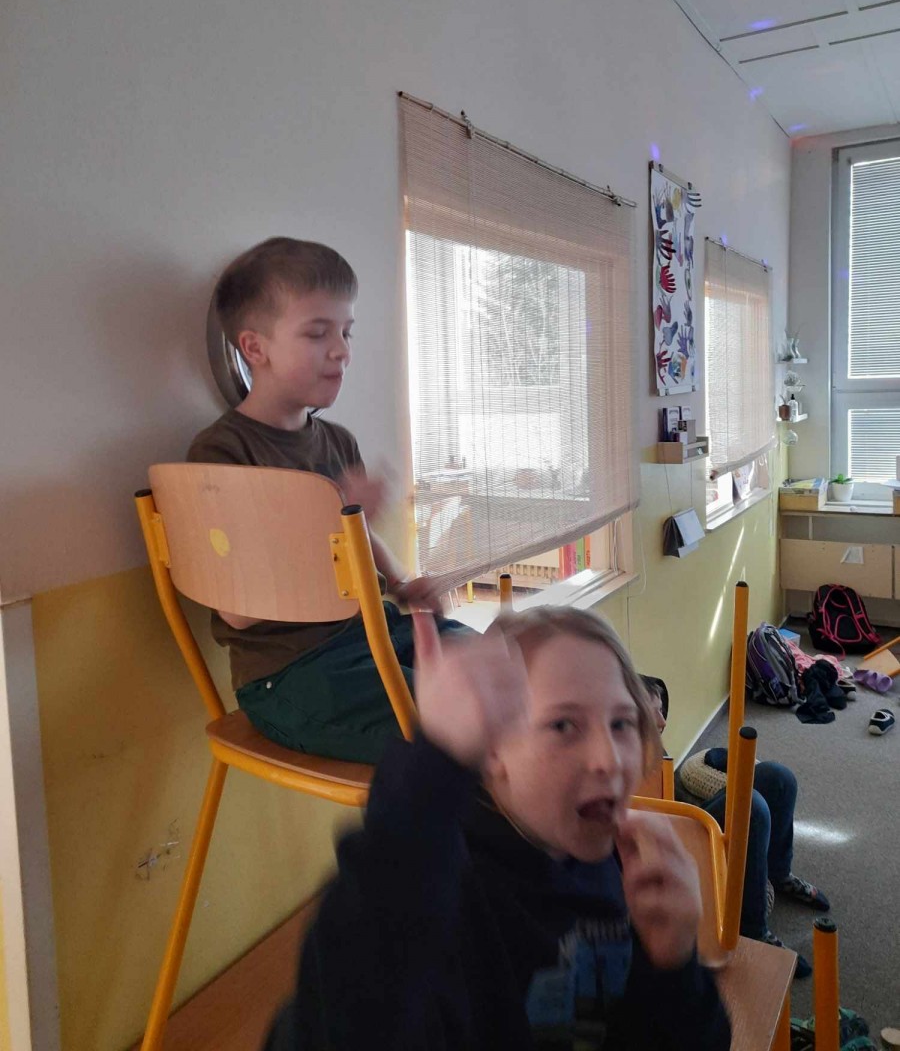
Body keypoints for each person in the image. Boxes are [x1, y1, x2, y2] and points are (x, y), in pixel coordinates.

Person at [264, 607, 731, 1051]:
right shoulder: (444, 891)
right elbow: (353, 1012)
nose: (608, 759)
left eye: (621, 723)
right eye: (563, 725)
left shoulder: (625, 871)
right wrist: (432, 769)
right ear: (491, 749)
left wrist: (674, 964)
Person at [188, 236, 462, 764]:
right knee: (469, 719)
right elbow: (238, 613)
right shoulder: (221, 454)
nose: (341, 350)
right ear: (255, 349)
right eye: (318, 333)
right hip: (293, 676)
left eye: (345, 331)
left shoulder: (336, 442)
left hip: (373, 634)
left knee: (505, 669)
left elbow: (356, 535)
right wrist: (331, 517)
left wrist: (401, 583)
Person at [640, 675, 830, 979]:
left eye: (661, 710)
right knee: (751, 808)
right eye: (653, 714)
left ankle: (779, 873)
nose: (663, 722)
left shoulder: (650, 747)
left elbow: (673, 800)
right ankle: (752, 932)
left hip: (680, 821)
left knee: (778, 779)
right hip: (667, 853)